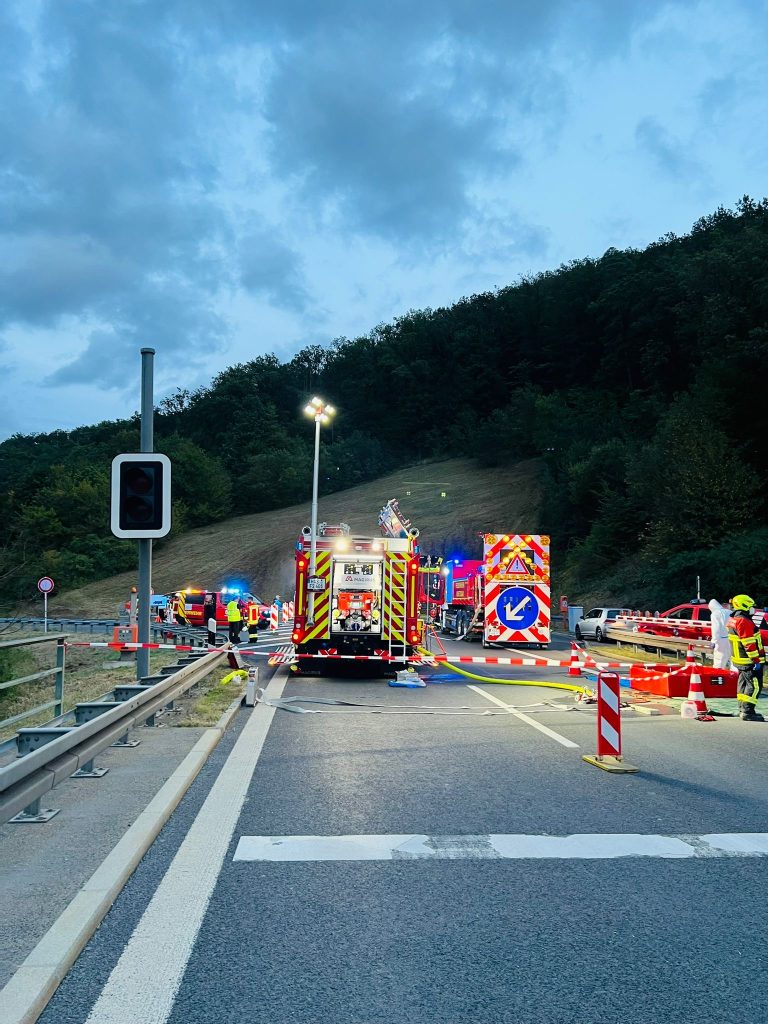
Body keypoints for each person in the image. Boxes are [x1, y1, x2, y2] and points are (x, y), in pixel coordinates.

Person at [726, 594, 766, 721]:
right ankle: (748, 711)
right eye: (751, 607)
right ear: (744, 606)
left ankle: (742, 708)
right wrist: (756, 660)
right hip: (749, 660)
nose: (753, 609)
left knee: (743, 684)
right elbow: (749, 643)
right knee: (755, 686)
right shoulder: (743, 621)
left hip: (739, 659)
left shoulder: (733, 619)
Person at [708, 598, 731, 670]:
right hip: (731, 638)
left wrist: (713, 642)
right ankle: (734, 677)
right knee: (732, 660)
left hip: (721, 640)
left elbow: (716, 629)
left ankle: (718, 677)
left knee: (719, 660)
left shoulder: (715, 614)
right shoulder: (729, 611)